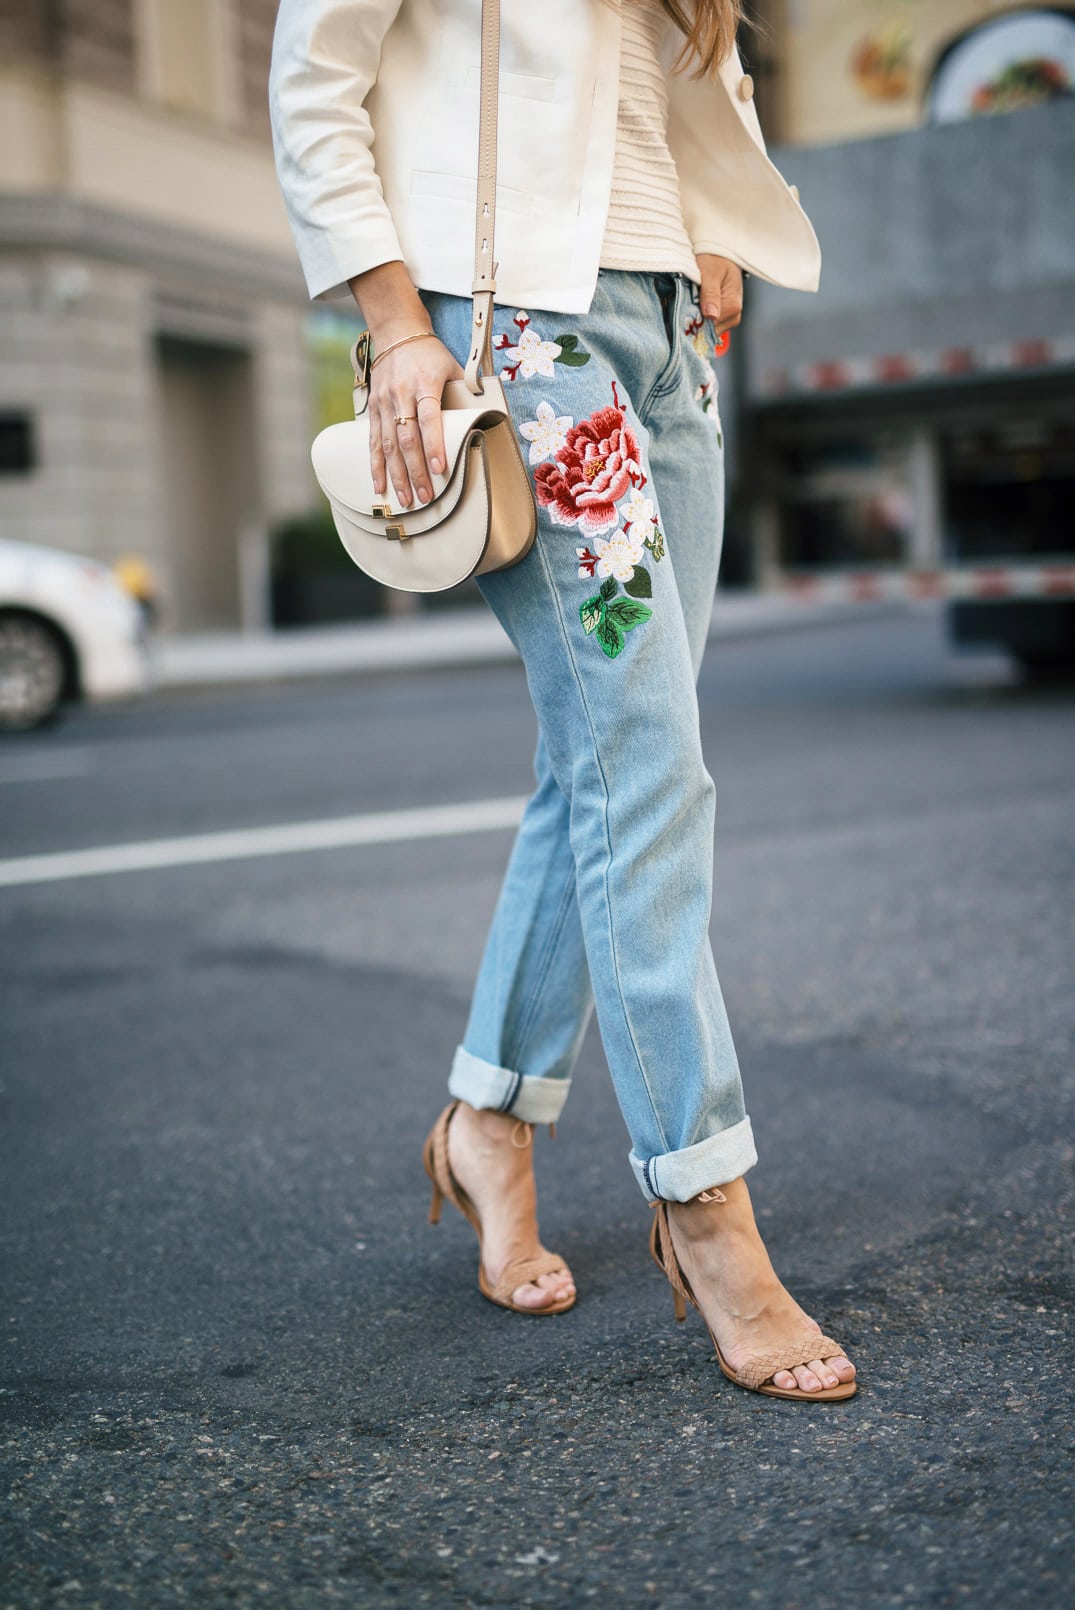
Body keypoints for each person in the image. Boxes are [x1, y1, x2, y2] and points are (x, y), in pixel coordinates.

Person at [270, 0, 857, 1401]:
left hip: (668, 326)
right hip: (516, 327)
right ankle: (704, 1203)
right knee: (645, 763)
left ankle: (488, 1119)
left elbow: (691, 70)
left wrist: (710, 222)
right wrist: (398, 324)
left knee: (609, 757)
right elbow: (313, 83)